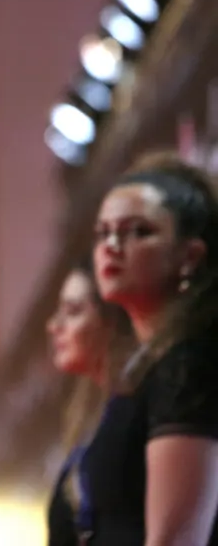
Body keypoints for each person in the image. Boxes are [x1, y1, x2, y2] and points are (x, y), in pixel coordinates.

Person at [80, 153, 218, 545]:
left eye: (138, 231)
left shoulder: (188, 367)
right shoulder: (150, 368)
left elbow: (177, 540)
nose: (112, 245)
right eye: (102, 232)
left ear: (189, 256)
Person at [43, 260, 134, 546]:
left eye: (73, 311)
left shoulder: (136, 412)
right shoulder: (87, 413)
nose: (54, 325)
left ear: (111, 321)